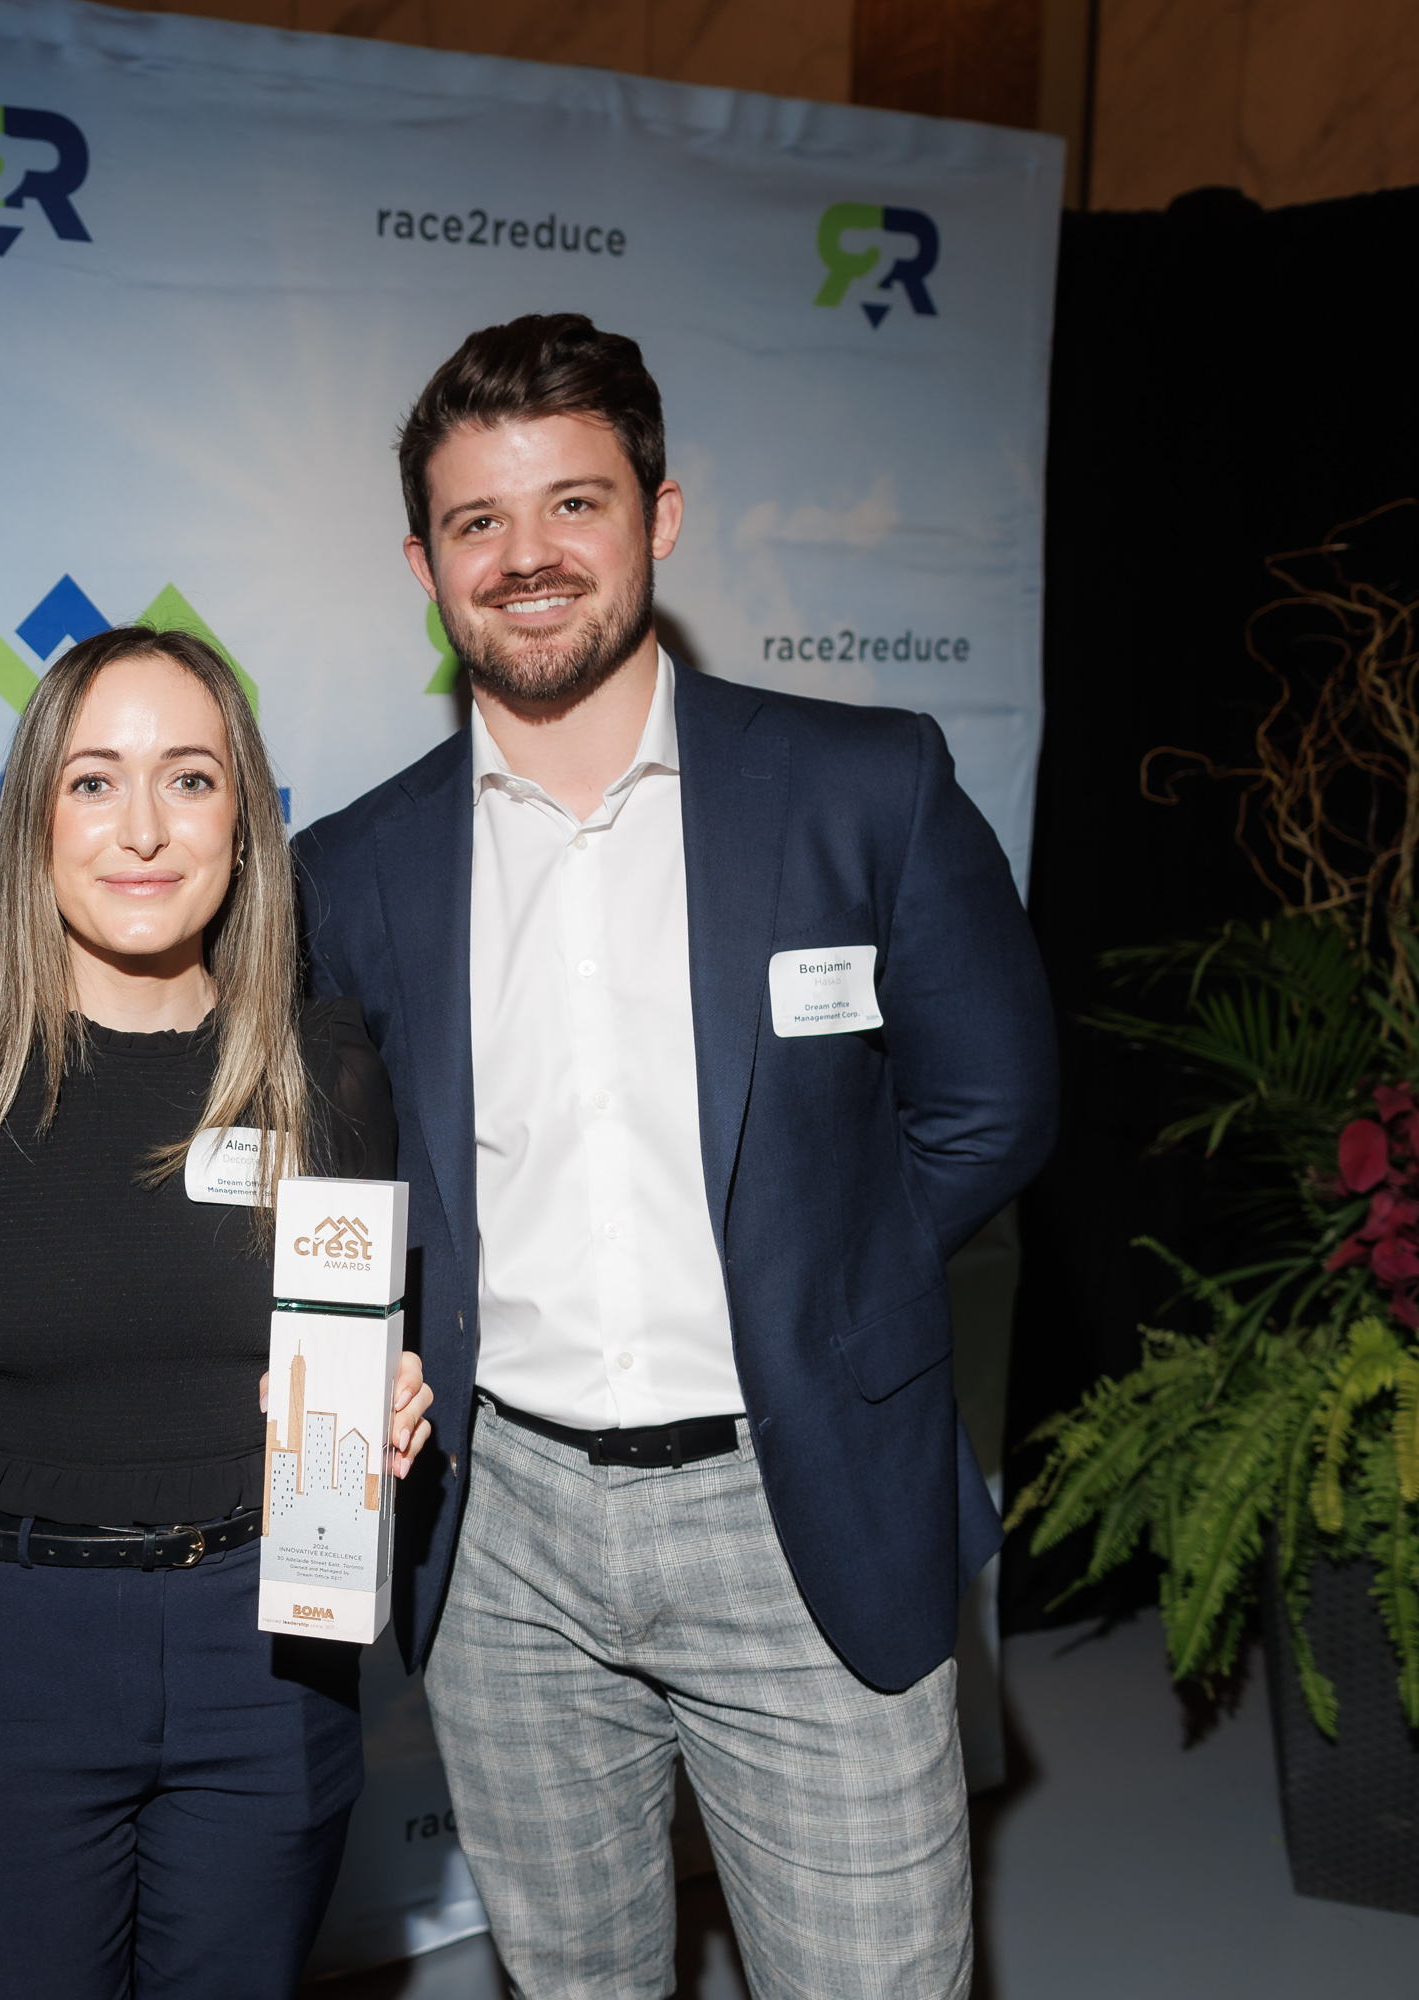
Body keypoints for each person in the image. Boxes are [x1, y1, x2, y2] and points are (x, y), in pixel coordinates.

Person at [293, 315, 1056, 1997]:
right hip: (502, 1536)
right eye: (479, 521)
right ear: (424, 565)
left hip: (803, 1506)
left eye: (575, 502)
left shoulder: (863, 786)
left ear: (662, 515)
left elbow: (993, 1105)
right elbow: (352, 1193)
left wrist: (824, 1287)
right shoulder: (352, 870)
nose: (528, 557)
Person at [0, 625, 432, 1997]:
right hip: (7, 1657)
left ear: (246, 823)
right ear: (32, 821)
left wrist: (389, 1401)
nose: (142, 829)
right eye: (94, 782)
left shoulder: (325, 1071)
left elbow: (358, 1344)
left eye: (190, 779)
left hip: (270, 1649)